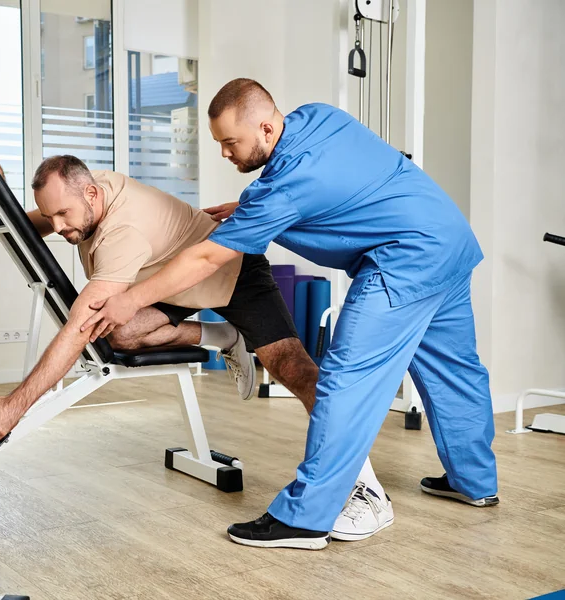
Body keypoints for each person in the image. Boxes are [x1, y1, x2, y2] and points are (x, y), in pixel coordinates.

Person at [82, 78, 498, 551]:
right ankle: (475, 480)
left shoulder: (282, 188)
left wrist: (132, 299)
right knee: (454, 368)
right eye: (218, 143)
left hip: (404, 260)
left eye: (230, 143)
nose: (225, 154)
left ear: (264, 126)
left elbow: (204, 259)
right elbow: (345, 180)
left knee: (344, 379)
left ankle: (307, 516)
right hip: (448, 239)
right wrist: (247, 206)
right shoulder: (318, 117)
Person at [0, 145, 394, 541]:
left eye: (63, 216)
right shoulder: (88, 193)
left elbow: (79, 327)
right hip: (171, 279)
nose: (57, 227)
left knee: (294, 369)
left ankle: (364, 483)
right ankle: (225, 336)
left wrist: (16, 406)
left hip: (233, 270)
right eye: (50, 215)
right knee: (123, 331)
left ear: (91, 195)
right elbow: (29, 227)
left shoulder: (122, 232)